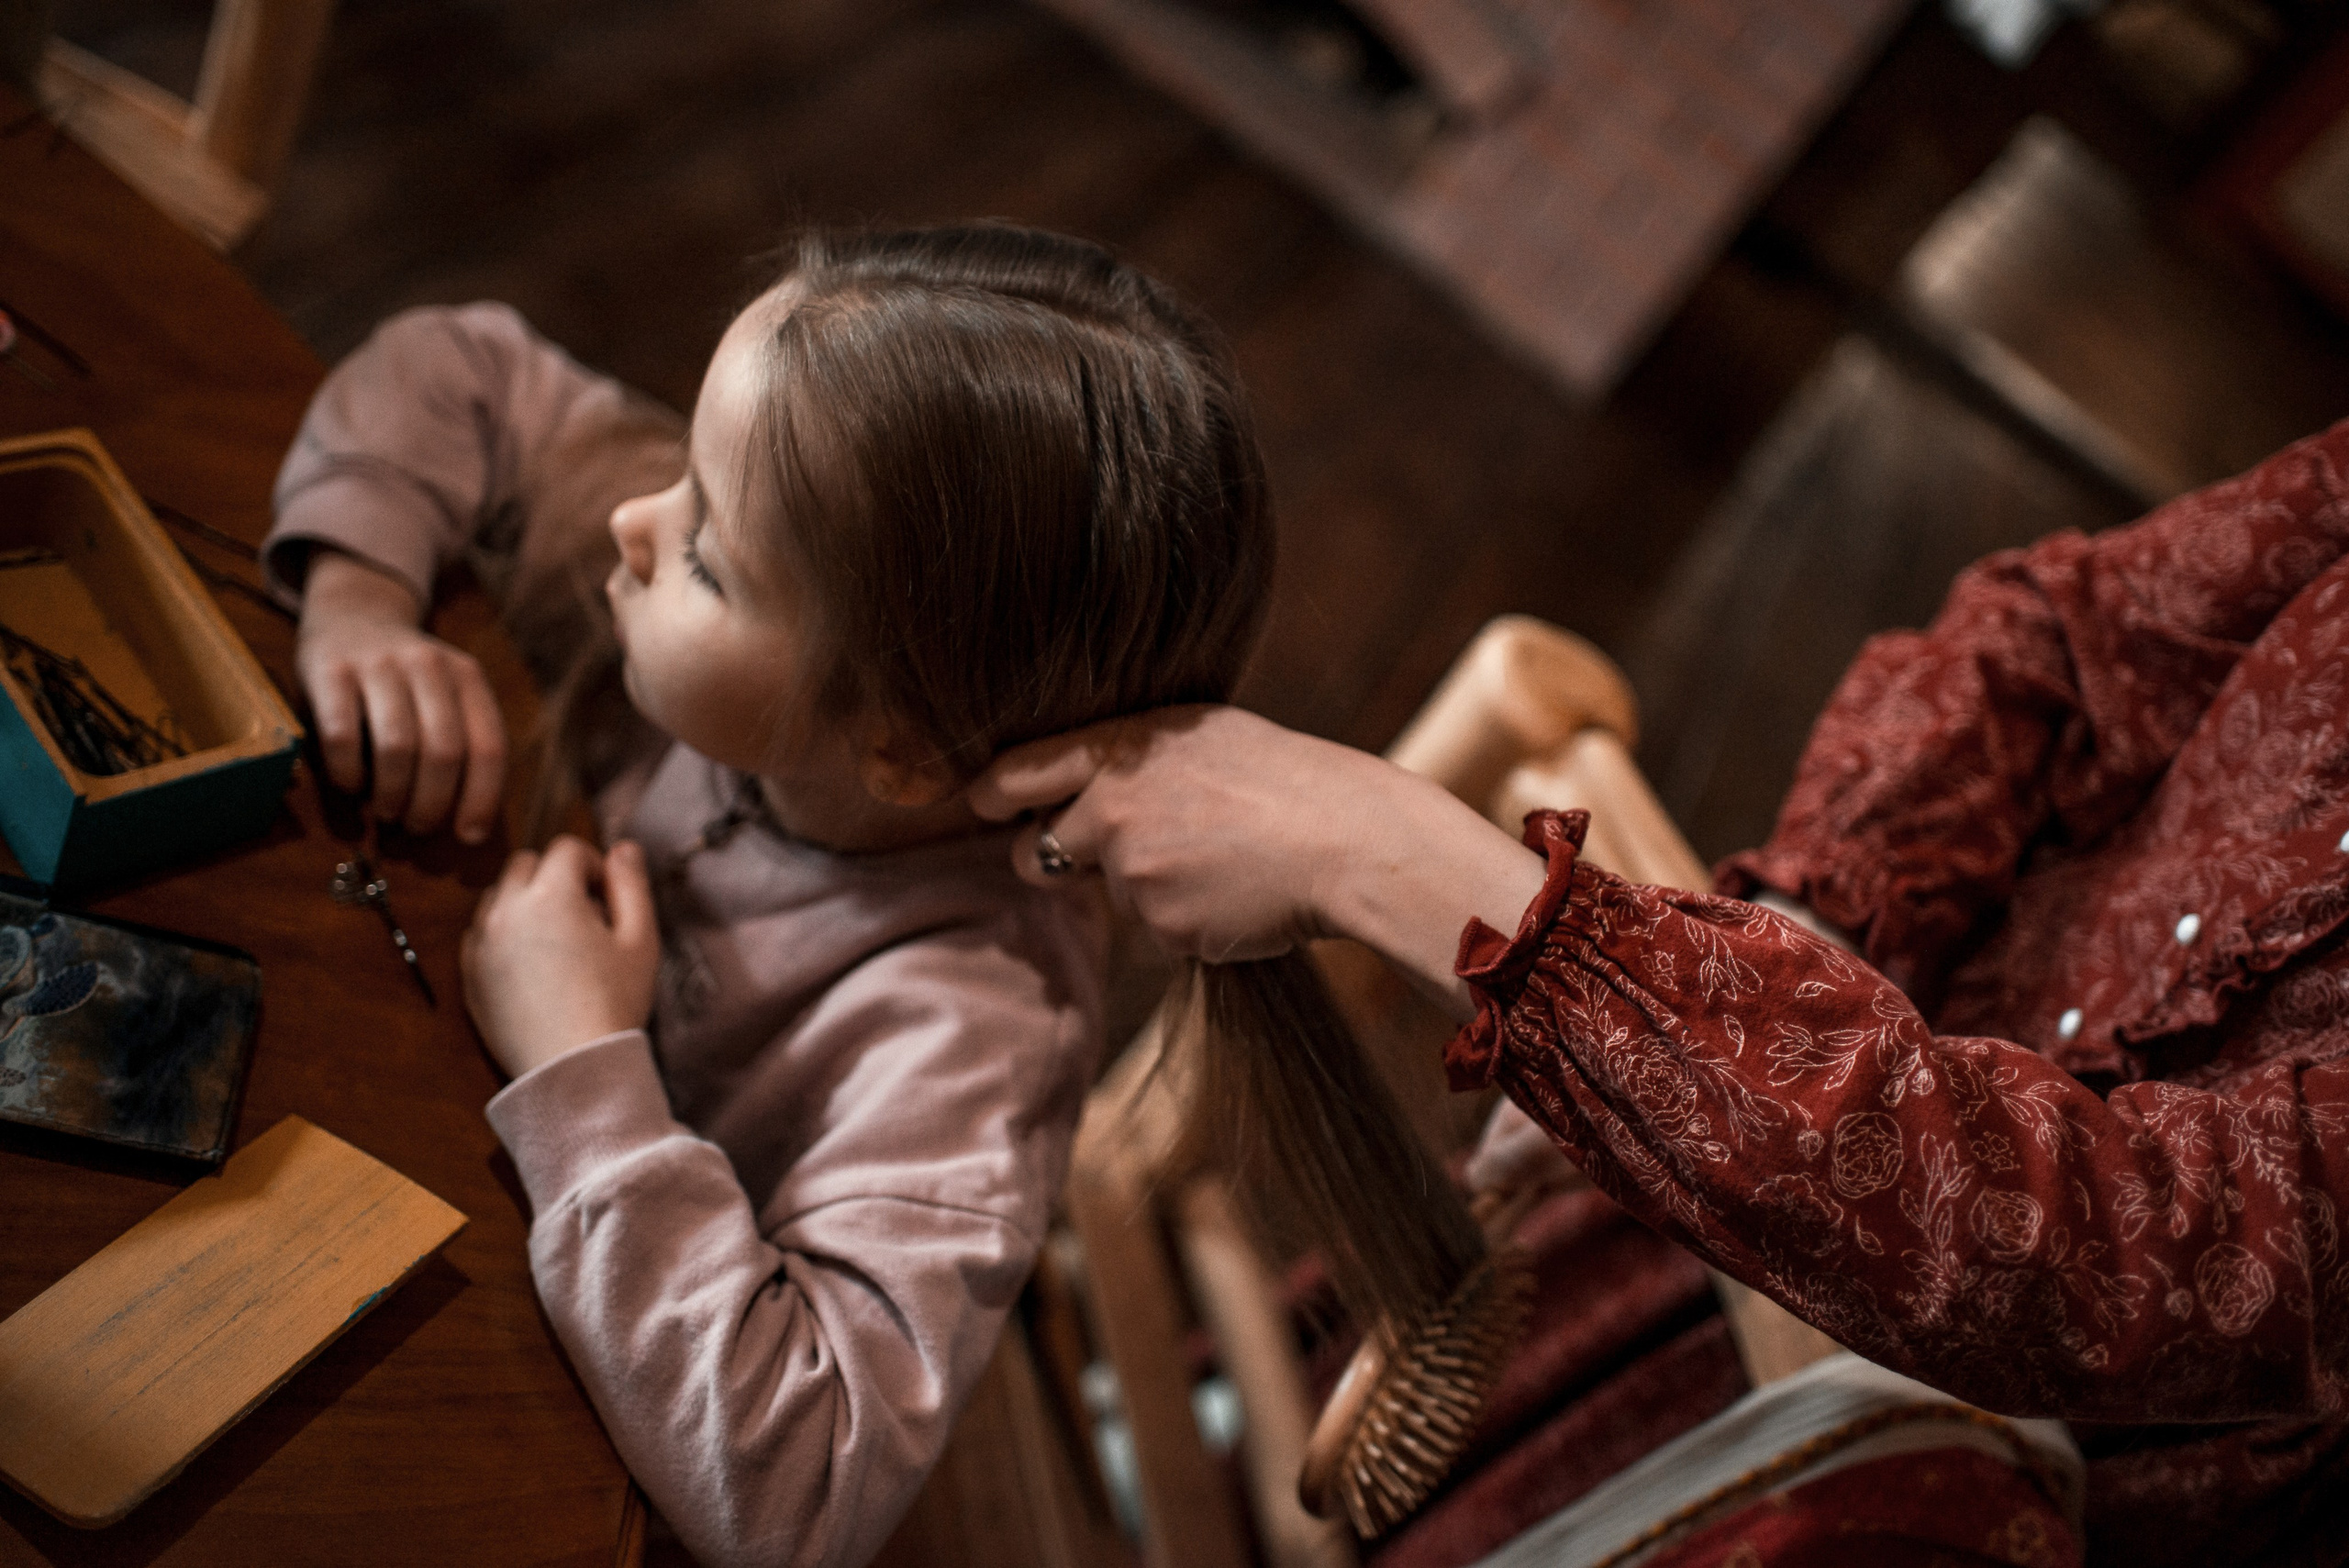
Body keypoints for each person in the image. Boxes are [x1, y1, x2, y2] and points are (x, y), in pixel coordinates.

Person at [973, 417, 2349, 1564]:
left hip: (1930, 1479)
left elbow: (2125, 1256)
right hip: (1745, 1121)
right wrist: (1769, 968)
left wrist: (1386, 857)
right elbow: (2052, 634)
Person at [262, 225, 1275, 1568]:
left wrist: (582, 1064)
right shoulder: (773, 530)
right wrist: (359, 595)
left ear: (900, 748)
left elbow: (801, 1491)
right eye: (684, 474)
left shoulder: (976, 1035)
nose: (635, 521)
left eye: (708, 559)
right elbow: (458, 368)